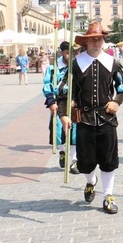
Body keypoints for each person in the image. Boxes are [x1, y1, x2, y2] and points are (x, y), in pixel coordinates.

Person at [58, 22, 123, 214]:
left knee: (108, 160)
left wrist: (117, 101)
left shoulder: (112, 62)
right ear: (86, 42)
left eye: (99, 39)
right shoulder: (76, 64)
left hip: (106, 118)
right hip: (84, 119)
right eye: (92, 39)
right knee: (86, 162)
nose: (96, 43)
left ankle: (108, 195)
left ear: (103, 40)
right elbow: (63, 91)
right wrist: (64, 114)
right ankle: (91, 181)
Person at [43, 41, 79, 174]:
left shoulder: (77, 66)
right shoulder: (53, 68)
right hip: (59, 102)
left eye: (73, 53)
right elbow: (47, 85)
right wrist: (51, 101)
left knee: (74, 131)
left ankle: (75, 161)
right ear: (62, 53)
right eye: (68, 53)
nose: (71, 56)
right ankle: (63, 151)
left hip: (74, 102)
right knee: (58, 132)